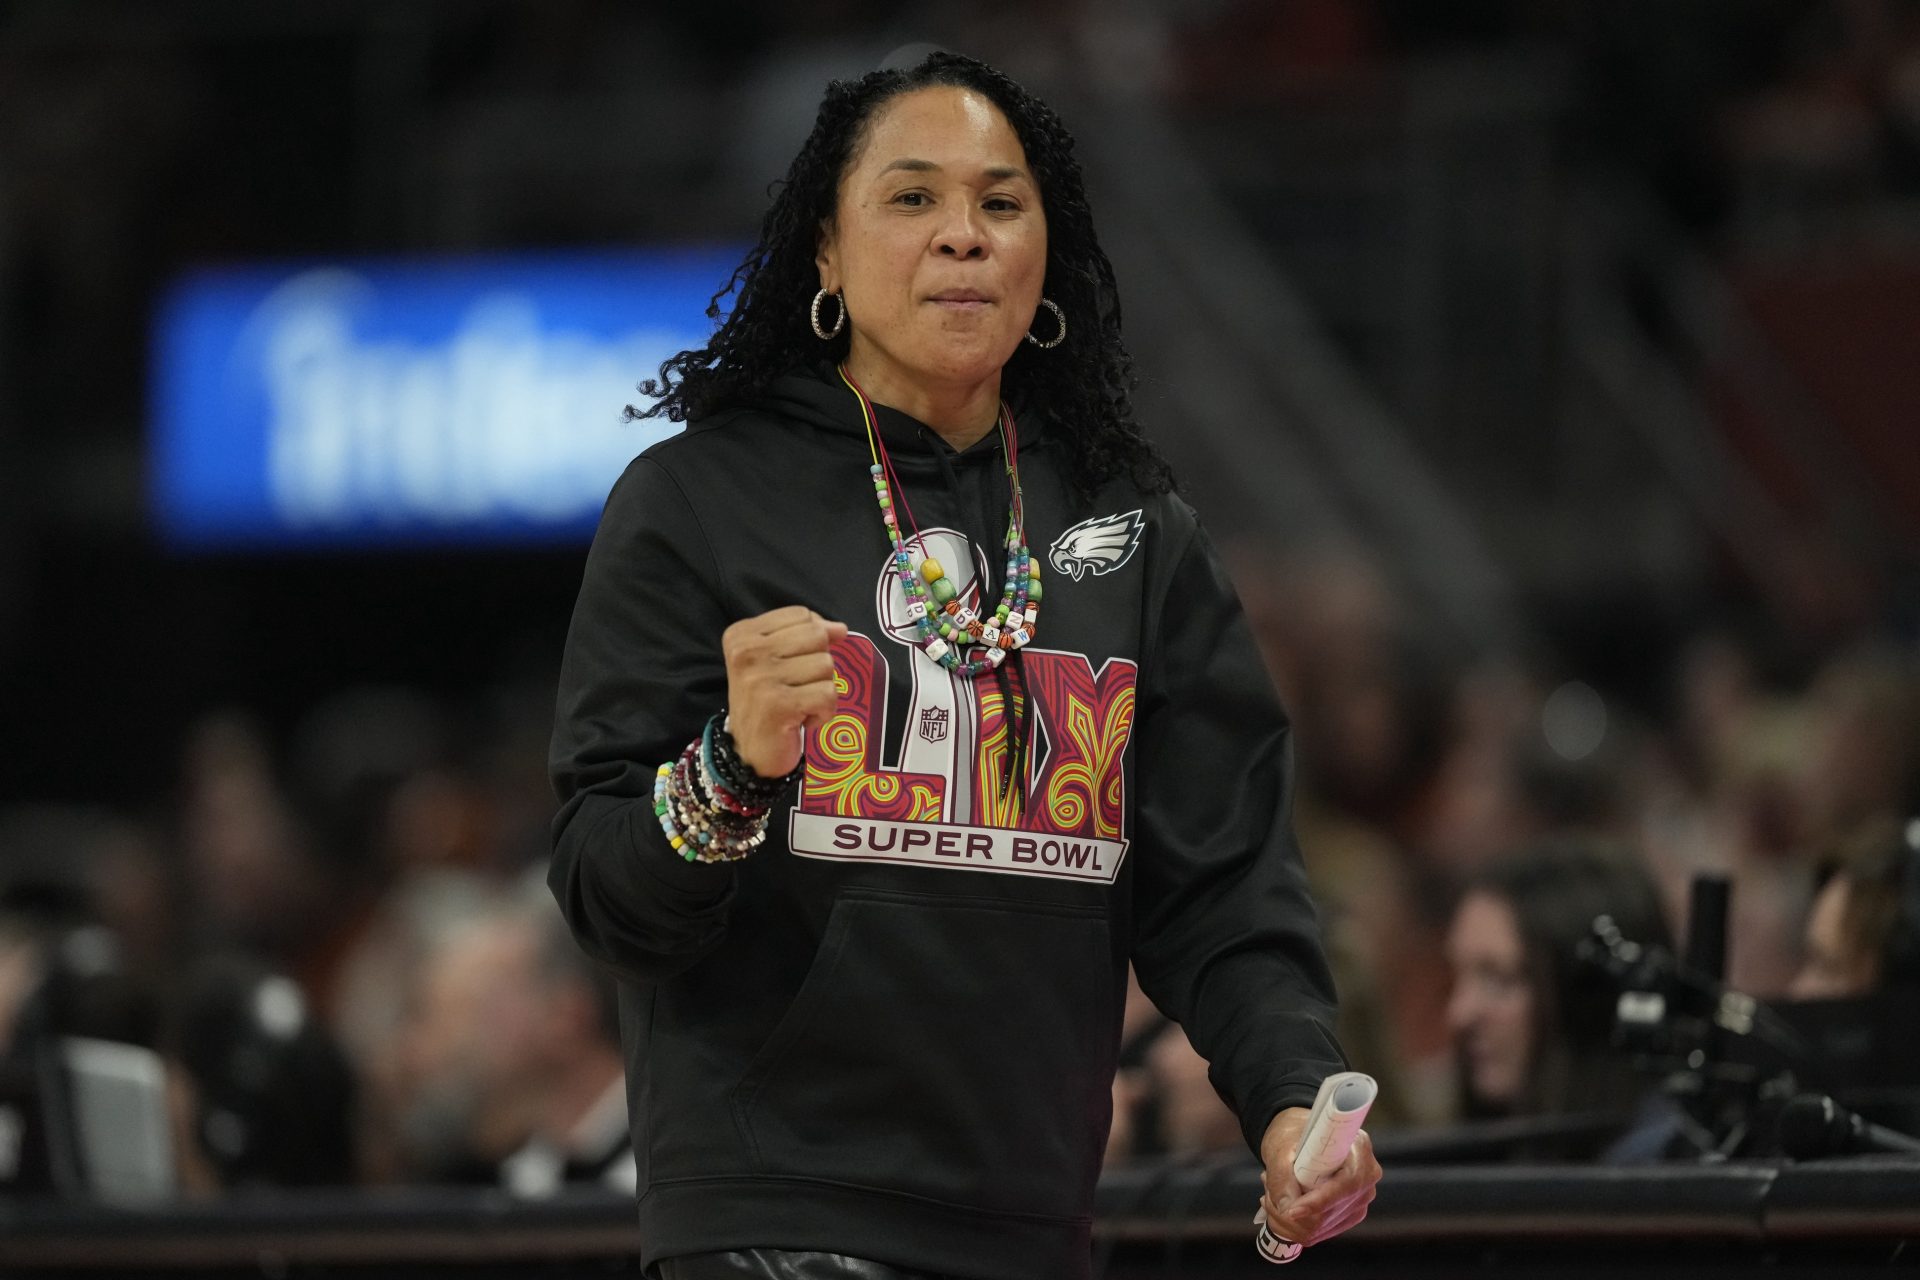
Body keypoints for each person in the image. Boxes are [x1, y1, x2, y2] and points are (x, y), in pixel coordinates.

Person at [548, 50, 1380, 1280]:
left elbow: (1226, 889)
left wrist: (1292, 1101)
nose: (963, 237)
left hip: (1033, 1224)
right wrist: (730, 767)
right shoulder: (697, 503)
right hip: (776, 1219)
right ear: (824, 253)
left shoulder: (1135, 529)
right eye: (910, 198)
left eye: (1001, 203)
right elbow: (601, 891)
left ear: (1047, 253)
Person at [1443, 836, 1672, 1153]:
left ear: (1587, 996)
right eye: (1457, 976)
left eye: (1499, 979)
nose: (1459, 1013)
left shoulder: (1662, 1168)